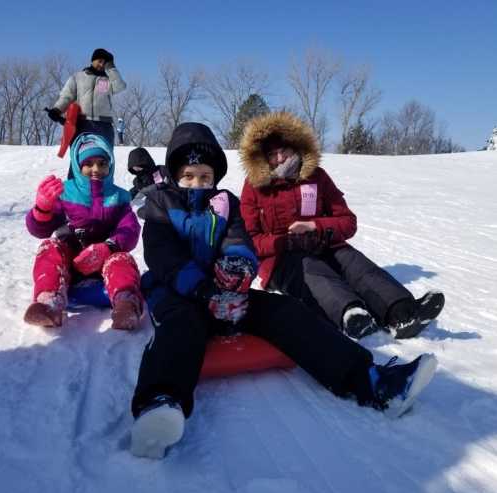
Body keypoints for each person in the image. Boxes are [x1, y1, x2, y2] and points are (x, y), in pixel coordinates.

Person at [129, 121, 438, 459]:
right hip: (177, 291)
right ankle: (158, 405)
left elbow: (239, 243)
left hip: (222, 292)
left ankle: (372, 381)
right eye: (189, 175)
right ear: (175, 174)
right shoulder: (160, 204)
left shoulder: (225, 202)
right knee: (182, 326)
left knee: (285, 310)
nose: (198, 183)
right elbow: (163, 257)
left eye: (205, 176)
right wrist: (204, 290)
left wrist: (238, 271)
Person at [239, 112, 445, 340]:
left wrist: (314, 226)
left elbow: (348, 222)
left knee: (355, 264)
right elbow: (249, 241)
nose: (279, 158)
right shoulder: (254, 187)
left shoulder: (317, 177)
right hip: (281, 260)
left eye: (284, 151)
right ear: (261, 158)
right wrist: (286, 241)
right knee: (312, 271)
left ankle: (402, 312)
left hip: (323, 243)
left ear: (296, 147)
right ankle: (351, 315)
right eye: (272, 154)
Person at [24, 133, 143, 331]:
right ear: (78, 166)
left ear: (110, 165)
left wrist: (109, 247)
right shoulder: (65, 192)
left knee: (123, 259)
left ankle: (126, 304)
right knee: (49, 247)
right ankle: (49, 301)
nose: (96, 169)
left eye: (102, 163)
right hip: (69, 263)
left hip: (106, 261)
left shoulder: (119, 197)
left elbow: (129, 228)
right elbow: (40, 230)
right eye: (89, 163)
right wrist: (43, 209)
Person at [46, 48, 126, 154]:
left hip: (104, 125)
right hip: (82, 125)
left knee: (104, 158)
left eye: (105, 63)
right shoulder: (78, 77)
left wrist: (111, 67)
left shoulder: (107, 80)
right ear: (93, 60)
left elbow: (120, 87)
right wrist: (57, 110)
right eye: (100, 61)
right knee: (80, 158)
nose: (102, 65)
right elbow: (67, 96)